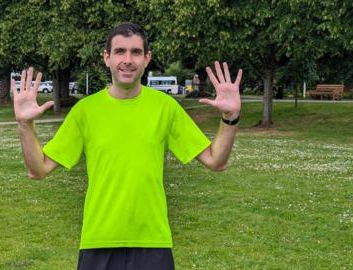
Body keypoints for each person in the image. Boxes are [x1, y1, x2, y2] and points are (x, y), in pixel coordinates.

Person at [12, 22, 242, 270]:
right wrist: (25, 125)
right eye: (120, 51)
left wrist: (230, 118)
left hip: (153, 243)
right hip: (98, 242)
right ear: (107, 58)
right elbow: (39, 169)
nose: (128, 60)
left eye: (135, 52)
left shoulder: (165, 107)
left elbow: (216, 161)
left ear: (147, 58)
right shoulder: (85, 111)